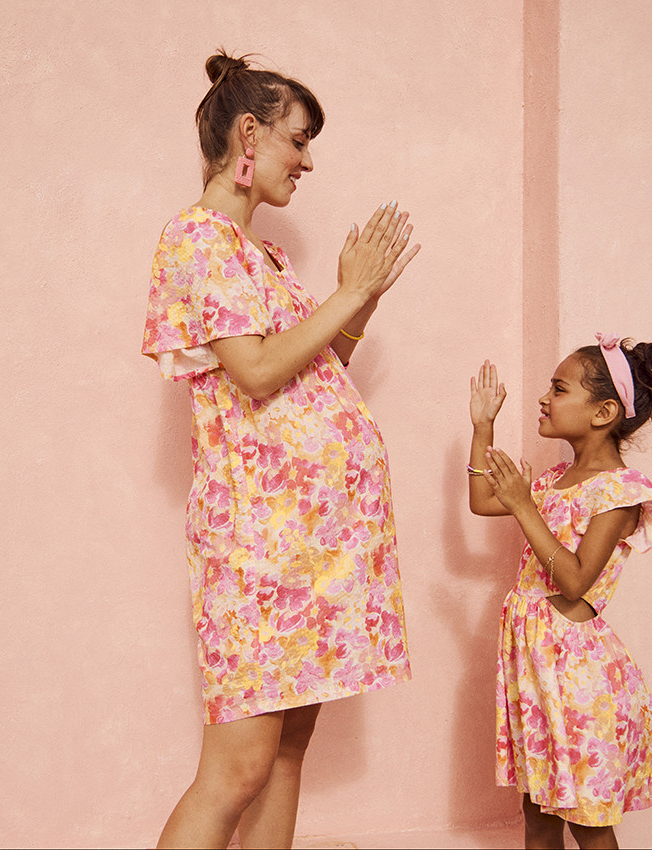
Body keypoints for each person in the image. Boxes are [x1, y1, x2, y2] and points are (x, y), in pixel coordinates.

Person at [142, 50, 420, 849]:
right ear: (249, 132)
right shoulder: (197, 241)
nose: (308, 160)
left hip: (316, 547)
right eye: (299, 140)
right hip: (262, 546)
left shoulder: (263, 255)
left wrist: (356, 304)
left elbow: (311, 382)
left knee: (288, 753)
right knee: (236, 770)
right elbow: (257, 370)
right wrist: (348, 293)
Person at [468, 334, 652, 850]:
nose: (544, 399)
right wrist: (483, 427)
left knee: (587, 818)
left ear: (604, 411)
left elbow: (574, 581)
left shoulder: (621, 491)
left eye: (559, 389)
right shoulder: (553, 480)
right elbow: (481, 500)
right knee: (538, 808)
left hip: (577, 673)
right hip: (537, 667)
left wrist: (524, 506)